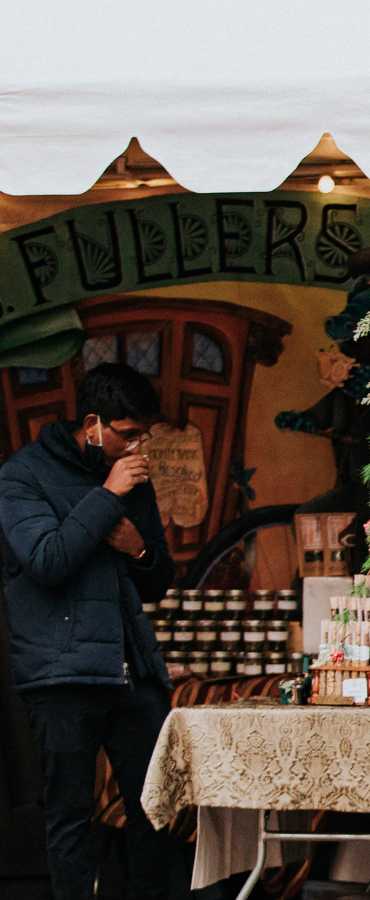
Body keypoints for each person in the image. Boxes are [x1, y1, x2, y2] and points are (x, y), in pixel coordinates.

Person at [0, 363, 176, 900]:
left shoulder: (131, 473)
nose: (136, 445)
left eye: (143, 434)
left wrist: (138, 549)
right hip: (60, 674)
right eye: (127, 433)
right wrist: (107, 495)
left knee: (154, 812)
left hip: (131, 674)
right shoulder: (20, 475)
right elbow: (48, 561)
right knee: (69, 816)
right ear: (93, 423)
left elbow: (159, 580)